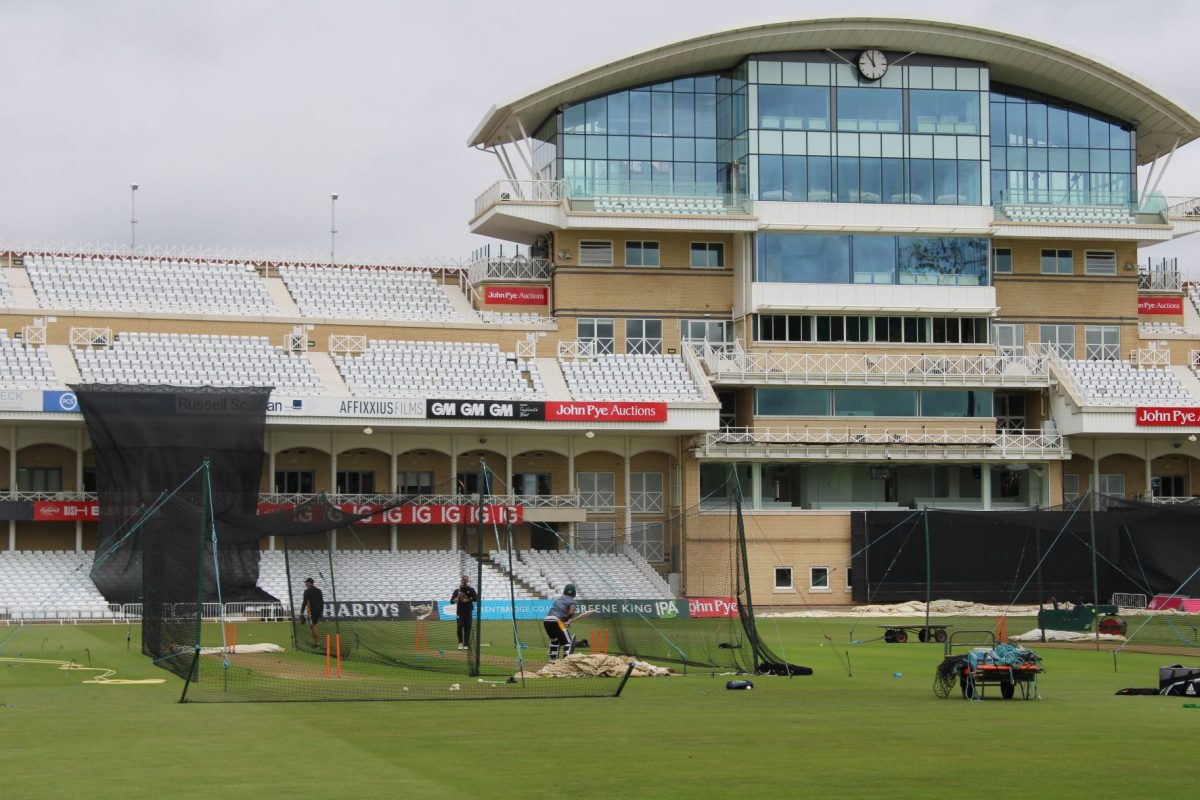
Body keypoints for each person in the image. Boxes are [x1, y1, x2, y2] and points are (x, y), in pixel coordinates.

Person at [542, 583, 577, 662]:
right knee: (568, 642)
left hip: (547, 620)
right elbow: (571, 613)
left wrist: (563, 620)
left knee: (554, 641)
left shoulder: (559, 599)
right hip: (557, 620)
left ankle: (552, 661)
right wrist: (566, 619)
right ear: (574, 593)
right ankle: (566, 662)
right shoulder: (572, 601)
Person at [451, 575, 479, 651]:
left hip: (468, 612)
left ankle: (466, 644)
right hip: (459, 613)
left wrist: (469, 599)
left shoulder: (471, 590)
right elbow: (451, 601)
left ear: (468, 581)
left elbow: (476, 599)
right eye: (463, 579)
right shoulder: (457, 591)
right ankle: (460, 643)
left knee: (467, 628)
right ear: (461, 581)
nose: (464, 581)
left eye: (466, 580)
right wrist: (454, 600)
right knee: (459, 627)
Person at [300, 577, 324, 647]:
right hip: (318, 610)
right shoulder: (319, 591)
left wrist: (301, 612)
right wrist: (321, 612)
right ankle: (317, 641)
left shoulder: (307, 591)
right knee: (315, 624)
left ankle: (317, 642)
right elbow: (322, 602)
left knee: (313, 626)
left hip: (311, 611)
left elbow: (304, 602)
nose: (305, 584)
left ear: (310, 583)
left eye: (306, 583)